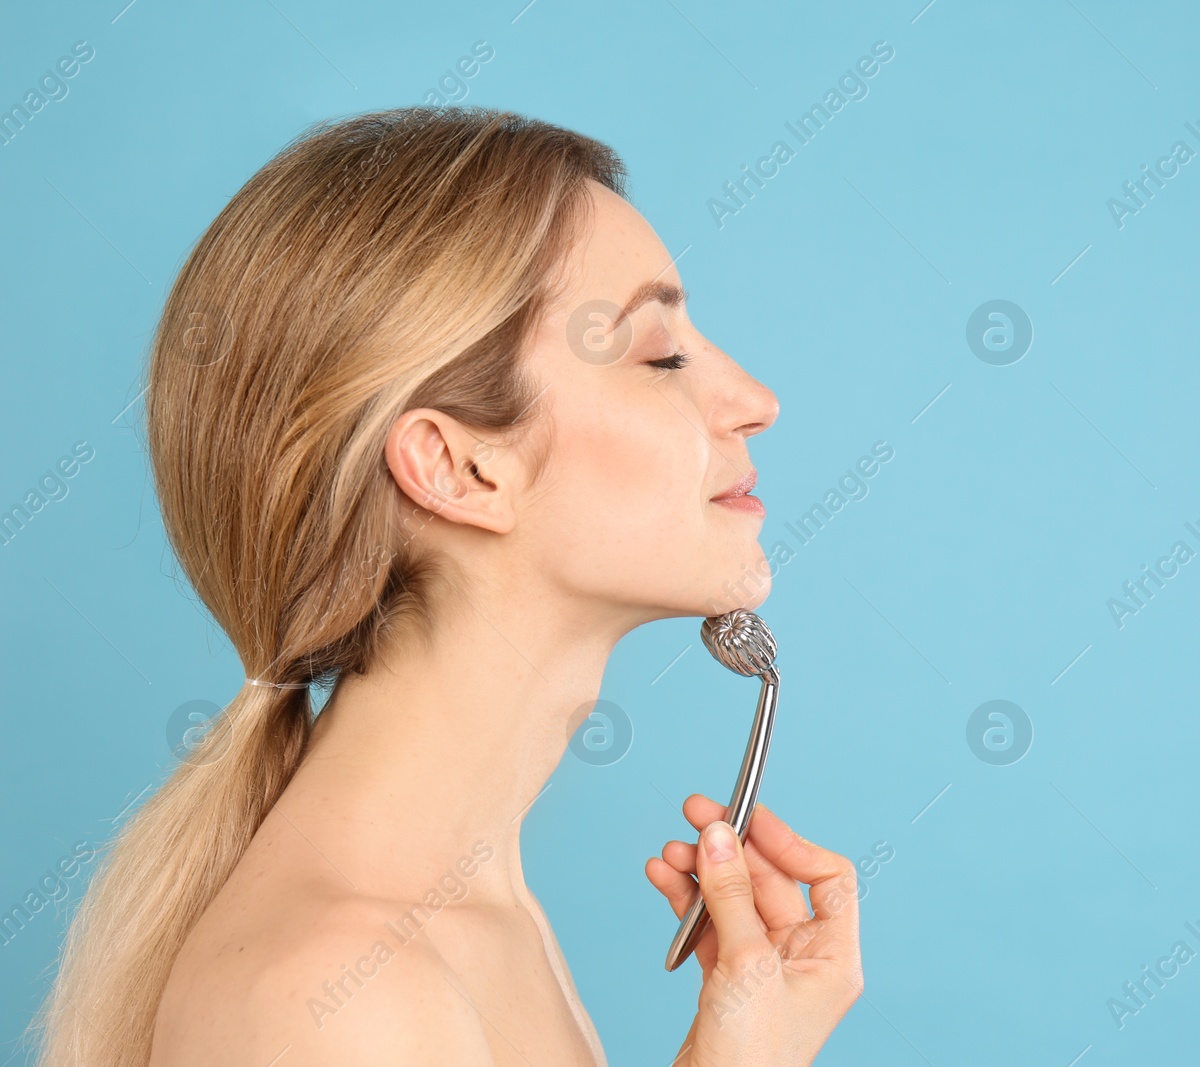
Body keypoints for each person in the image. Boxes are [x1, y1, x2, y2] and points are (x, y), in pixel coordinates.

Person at [30, 106, 863, 1067]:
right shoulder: (343, 995)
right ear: (458, 468)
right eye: (658, 354)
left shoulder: (479, 919)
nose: (755, 401)